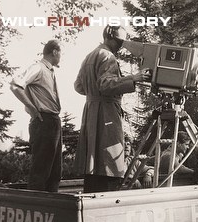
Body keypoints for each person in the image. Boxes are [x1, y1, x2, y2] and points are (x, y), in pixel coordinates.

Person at [74, 25, 151, 193]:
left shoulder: (89, 56)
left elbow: (79, 86)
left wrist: (93, 95)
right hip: (106, 113)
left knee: (94, 166)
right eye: (118, 41)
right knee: (110, 162)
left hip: (91, 112)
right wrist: (133, 78)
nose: (120, 46)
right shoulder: (107, 56)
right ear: (108, 38)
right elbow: (105, 84)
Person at [10, 40, 62, 192]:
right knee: (41, 170)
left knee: (54, 172)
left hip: (53, 121)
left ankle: (52, 209)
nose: (61, 57)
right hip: (43, 121)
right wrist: (32, 108)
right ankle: (36, 208)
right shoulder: (38, 67)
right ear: (55, 52)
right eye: (61, 53)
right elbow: (15, 85)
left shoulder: (49, 71)